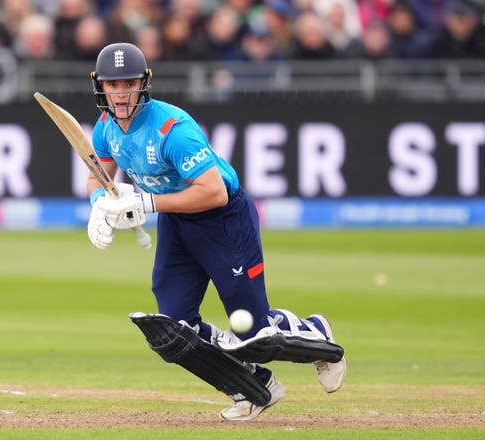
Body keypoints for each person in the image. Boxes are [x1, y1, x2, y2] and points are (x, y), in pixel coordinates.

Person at [84, 42, 346, 422]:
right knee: (173, 331)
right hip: (178, 223)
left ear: (144, 84)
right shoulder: (105, 129)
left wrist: (146, 203)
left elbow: (213, 191)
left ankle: (317, 333)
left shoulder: (173, 130)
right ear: (101, 87)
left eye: (129, 83)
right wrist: (98, 206)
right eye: (113, 85)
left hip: (224, 220)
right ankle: (255, 386)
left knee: (255, 336)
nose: (121, 93)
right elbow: (99, 175)